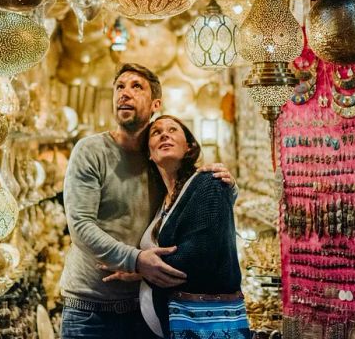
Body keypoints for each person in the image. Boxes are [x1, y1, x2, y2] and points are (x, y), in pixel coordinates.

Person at [59, 63, 234, 339]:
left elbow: (193, 196)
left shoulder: (159, 157)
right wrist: (136, 260)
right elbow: (80, 225)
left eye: (136, 87)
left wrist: (227, 187)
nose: (124, 94)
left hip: (145, 306)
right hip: (90, 309)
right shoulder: (91, 150)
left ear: (156, 104)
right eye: (119, 87)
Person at [104, 115, 249, 338]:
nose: (164, 134)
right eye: (156, 132)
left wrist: (139, 267)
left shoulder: (208, 181)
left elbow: (200, 255)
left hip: (203, 325)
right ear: (149, 155)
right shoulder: (164, 199)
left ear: (189, 147)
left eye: (173, 130)